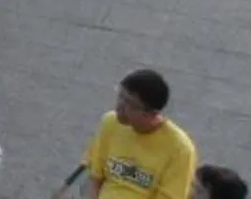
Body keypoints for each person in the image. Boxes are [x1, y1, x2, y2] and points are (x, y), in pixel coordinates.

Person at [81, 70, 197, 199]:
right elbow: (96, 178)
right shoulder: (110, 122)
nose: (120, 106)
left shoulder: (180, 149)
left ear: (151, 113)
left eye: (129, 103)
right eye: (120, 96)